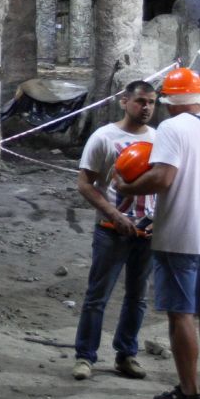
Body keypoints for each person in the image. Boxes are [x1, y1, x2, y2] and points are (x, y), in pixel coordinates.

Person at [116, 67, 200, 399]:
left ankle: (188, 393)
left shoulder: (172, 128)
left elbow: (163, 178)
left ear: (169, 102)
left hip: (180, 235)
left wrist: (126, 186)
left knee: (180, 314)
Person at [71, 80, 158, 382]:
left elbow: (165, 183)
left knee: (138, 297)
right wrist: (113, 214)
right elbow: (85, 184)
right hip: (110, 230)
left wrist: (158, 220)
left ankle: (127, 354)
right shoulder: (104, 137)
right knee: (98, 296)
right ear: (124, 101)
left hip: (146, 231)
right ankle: (85, 356)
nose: (146, 107)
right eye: (140, 101)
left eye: (151, 102)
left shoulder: (160, 140)